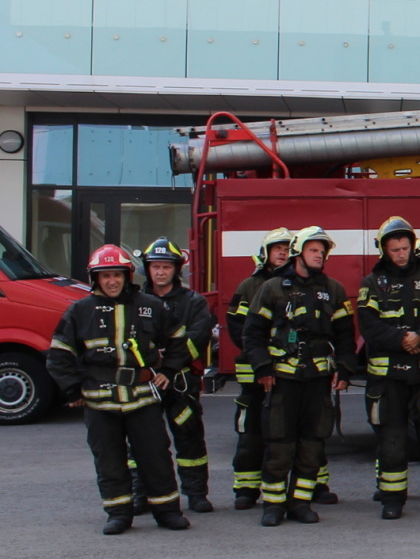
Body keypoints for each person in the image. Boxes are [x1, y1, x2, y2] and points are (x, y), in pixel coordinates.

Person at [46, 245, 189, 534]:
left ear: (127, 276)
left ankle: (167, 512)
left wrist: (168, 371)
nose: (111, 281)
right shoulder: (79, 311)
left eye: (116, 275)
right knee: (109, 459)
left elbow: (179, 340)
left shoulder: (151, 306)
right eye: (105, 275)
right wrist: (72, 390)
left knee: (156, 456)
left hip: (142, 397)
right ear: (95, 279)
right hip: (100, 400)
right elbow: (59, 354)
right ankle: (118, 513)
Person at [239, 227, 358, 527]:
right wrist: (263, 367)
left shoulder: (334, 289)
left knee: (312, 444)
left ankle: (300, 503)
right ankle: (273, 505)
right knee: (279, 443)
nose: (319, 255)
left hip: (318, 380)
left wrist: (344, 369)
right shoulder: (273, 288)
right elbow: (252, 333)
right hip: (283, 379)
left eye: (323, 251)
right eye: (314, 249)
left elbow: (345, 334)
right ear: (299, 252)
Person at [355, 217, 420, 518]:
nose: (401, 254)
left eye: (404, 247)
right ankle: (392, 500)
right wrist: (402, 339)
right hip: (389, 378)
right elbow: (369, 325)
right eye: (394, 249)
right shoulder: (372, 284)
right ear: (384, 251)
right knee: (392, 441)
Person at [141, 238, 216, 513]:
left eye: (166, 267)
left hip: (181, 383)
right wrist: (153, 363)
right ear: (146, 269)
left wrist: (168, 364)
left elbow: (197, 339)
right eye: (155, 266)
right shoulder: (136, 301)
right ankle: (142, 494)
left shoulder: (192, 302)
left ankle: (196, 494)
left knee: (189, 436)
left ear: (177, 270)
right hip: (144, 383)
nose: (160, 272)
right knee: (142, 441)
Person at [224, 228, 294, 509]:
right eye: (277, 248)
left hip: (290, 372)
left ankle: (312, 486)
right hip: (255, 374)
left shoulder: (298, 283)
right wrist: (261, 351)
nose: (282, 253)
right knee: (251, 432)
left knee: (294, 432)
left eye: (287, 249)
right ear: (265, 253)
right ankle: (246, 490)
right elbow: (237, 326)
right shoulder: (249, 286)